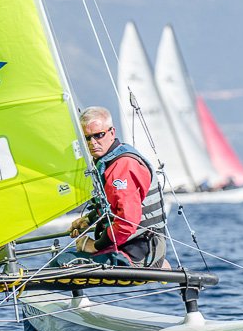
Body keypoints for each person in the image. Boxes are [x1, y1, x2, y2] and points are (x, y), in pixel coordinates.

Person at [55, 106, 167, 268]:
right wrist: (89, 219)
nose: (93, 143)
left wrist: (95, 246)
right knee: (68, 255)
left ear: (112, 132)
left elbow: (127, 222)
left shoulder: (122, 167)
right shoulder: (109, 161)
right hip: (134, 246)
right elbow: (113, 206)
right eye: (86, 138)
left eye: (98, 135)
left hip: (140, 251)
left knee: (62, 262)